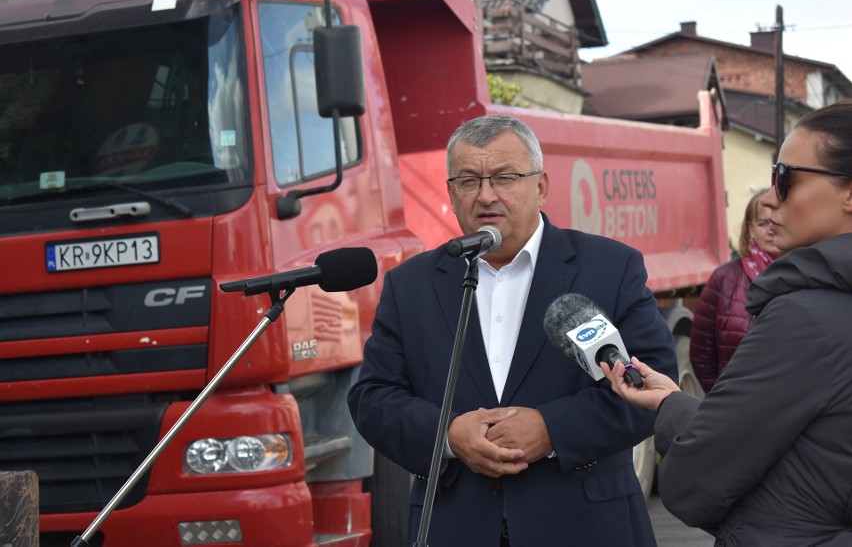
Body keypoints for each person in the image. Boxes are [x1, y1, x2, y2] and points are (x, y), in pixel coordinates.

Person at [347, 114, 677, 547]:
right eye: (468, 181)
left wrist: (551, 429)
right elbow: (373, 399)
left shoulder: (609, 268)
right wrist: (447, 435)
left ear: (540, 186)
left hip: (586, 526)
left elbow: (650, 385)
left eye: (504, 177)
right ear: (451, 192)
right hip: (455, 526)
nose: (486, 195)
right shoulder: (410, 286)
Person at [602, 99, 852, 546]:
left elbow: (696, 482)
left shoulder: (805, 318)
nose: (771, 197)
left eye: (785, 177)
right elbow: (810, 454)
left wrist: (691, 431)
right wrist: (675, 405)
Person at [689, 188, 784, 392]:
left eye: (776, 222)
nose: (770, 229)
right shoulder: (724, 278)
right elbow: (702, 352)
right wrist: (722, 399)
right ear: (749, 228)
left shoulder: (808, 274)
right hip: (735, 406)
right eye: (762, 223)